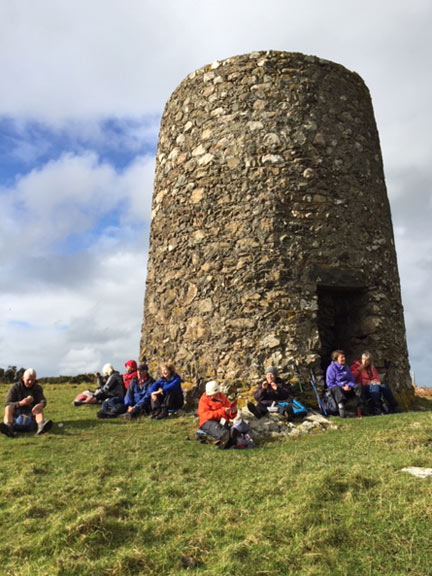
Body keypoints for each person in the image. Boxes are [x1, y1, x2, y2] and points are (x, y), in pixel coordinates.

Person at [0, 368, 52, 437]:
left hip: (31, 413)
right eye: (28, 379)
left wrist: (41, 404)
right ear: (23, 378)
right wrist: (21, 403)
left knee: (39, 408)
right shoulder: (15, 387)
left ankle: (41, 426)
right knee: (8, 408)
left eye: (32, 380)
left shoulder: (37, 388)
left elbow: (42, 400)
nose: (30, 382)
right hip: (17, 413)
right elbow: (8, 403)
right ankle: (8, 427)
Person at [198, 380, 238, 449]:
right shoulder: (204, 400)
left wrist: (232, 412)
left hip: (222, 421)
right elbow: (205, 415)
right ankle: (226, 439)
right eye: (212, 395)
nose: (215, 396)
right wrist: (222, 411)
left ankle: (228, 441)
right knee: (221, 430)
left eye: (216, 394)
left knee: (228, 431)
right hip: (207, 423)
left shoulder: (222, 397)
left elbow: (230, 415)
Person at [326, 350, 366, 418]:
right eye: (342, 357)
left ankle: (359, 408)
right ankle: (341, 408)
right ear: (336, 359)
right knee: (336, 388)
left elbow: (352, 379)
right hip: (338, 390)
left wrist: (349, 385)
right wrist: (342, 387)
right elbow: (330, 383)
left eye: (344, 357)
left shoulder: (346, 367)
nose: (344, 359)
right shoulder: (331, 368)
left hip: (348, 387)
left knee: (358, 386)